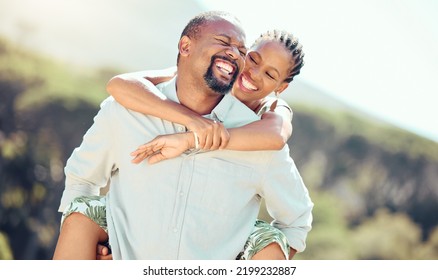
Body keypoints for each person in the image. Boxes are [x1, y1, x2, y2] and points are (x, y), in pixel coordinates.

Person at [53, 11, 313, 260]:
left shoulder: (265, 131)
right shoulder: (132, 106)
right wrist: (88, 244)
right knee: (83, 211)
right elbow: (82, 177)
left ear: (281, 87)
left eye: (269, 73)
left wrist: (193, 138)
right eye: (251, 58)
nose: (249, 69)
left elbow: (296, 216)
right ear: (186, 46)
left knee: (265, 237)